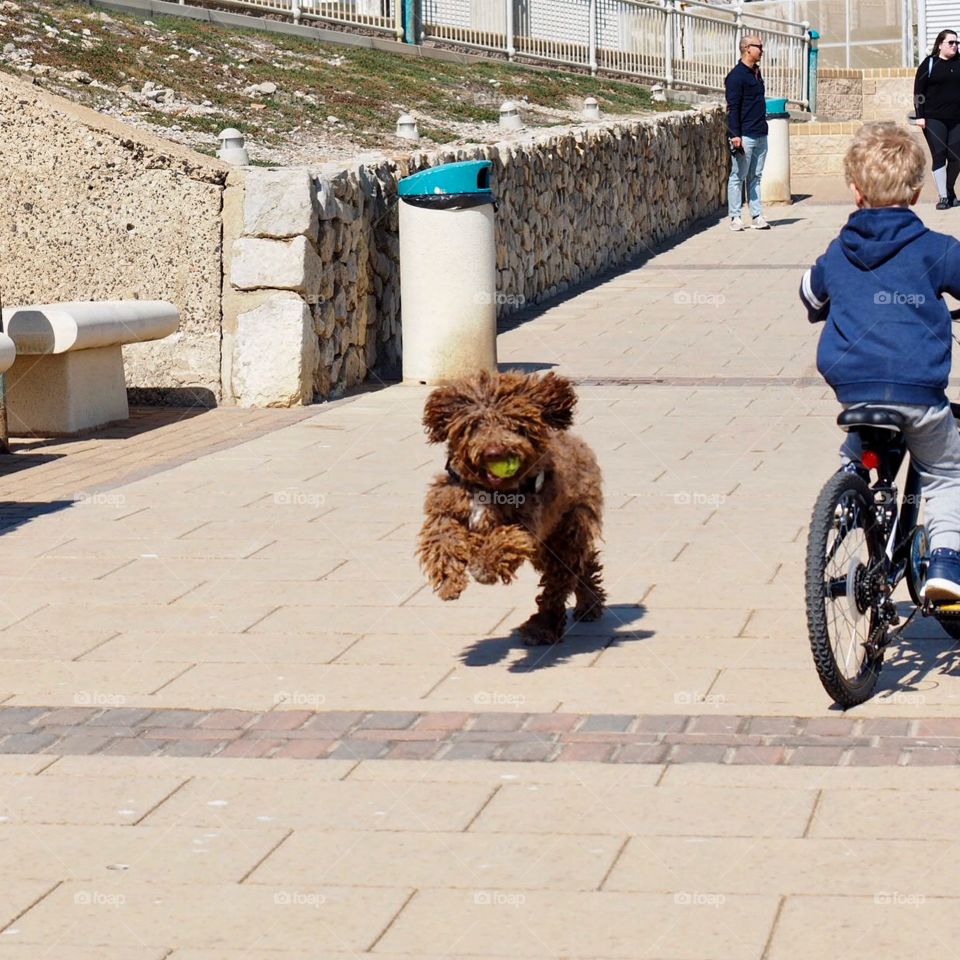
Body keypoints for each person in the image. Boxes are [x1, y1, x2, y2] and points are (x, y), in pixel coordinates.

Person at [800, 120, 960, 601]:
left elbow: (809, 295)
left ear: (855, 192)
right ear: (916, 193)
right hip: (916, 389)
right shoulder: (937, 249)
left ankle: (850, 492)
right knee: (947, 472)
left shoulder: (838, 251)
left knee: (865, 445)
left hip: (853, 386)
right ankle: (947, 564)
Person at [725, 34, 770, 231]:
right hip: (744, 136)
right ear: (747, 48)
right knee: (738, 175)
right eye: (759, 46)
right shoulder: (736, 76)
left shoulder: (756, 73)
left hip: (761, 133)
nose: (762, 50)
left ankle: (757, 215)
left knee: (756, 176)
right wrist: (735, 135)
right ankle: (735, 217)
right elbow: (732, 108)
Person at [914, 28, 960, 210]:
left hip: (957, 119)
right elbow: (919, 91)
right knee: (939, 154)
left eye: (957, 43)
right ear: (940, 44)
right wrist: (920, 116)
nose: (955, 45)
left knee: (957, 158)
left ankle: (949, 190)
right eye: (951, 42)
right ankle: (943, 197)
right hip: (934, 119)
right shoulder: (930, 63)